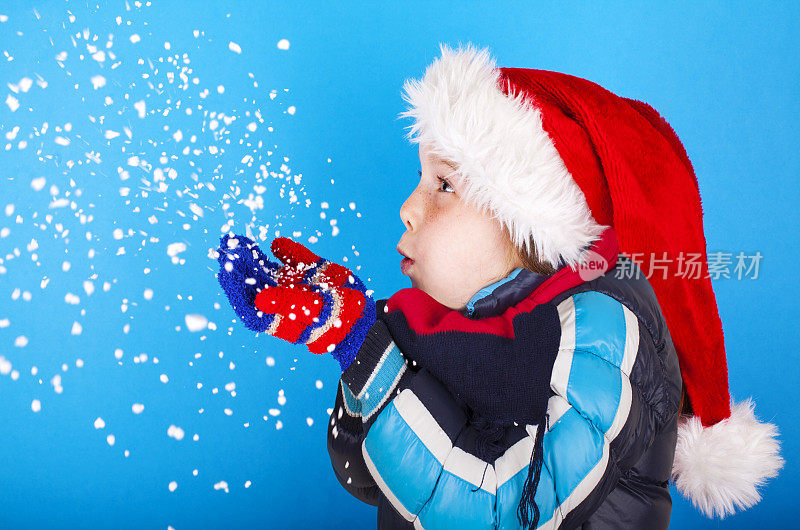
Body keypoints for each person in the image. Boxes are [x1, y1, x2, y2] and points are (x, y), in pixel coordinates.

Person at [217, 43, 784, 529]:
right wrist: (352, 335)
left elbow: (508, 509)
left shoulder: (607, 325)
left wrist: (365, 351)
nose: (407, 209)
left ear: (523, 221)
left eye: (443, 185)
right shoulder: (443, 321)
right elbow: (366, 473)